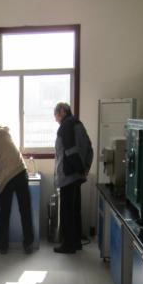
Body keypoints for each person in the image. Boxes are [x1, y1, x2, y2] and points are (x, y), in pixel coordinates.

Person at [0, 124, 34, 254]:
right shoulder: (4, 132)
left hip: (6, 178)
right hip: (20, 171)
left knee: (4, 212)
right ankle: (28, 243)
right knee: (25, 210)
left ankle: (3, 246)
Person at [53, 102, 94, 254]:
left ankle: (68, 245)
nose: (56, 119)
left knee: (67, 212)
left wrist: (80, 168)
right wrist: (86, 168)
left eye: (56, 115)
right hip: (77, 176)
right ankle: (76, 242)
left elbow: (70, 151)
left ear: (62, 111)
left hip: (68, 175)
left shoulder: (66, 126)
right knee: (75, 210)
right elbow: (90, 148)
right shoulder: (78, 124)